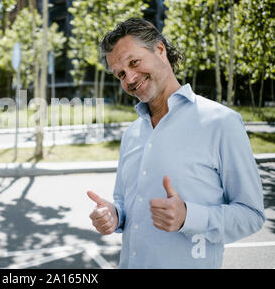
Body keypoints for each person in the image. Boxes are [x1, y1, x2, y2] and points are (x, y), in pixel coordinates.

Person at [87, 18, 265, 269]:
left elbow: (251, 215)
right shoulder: (132, 134)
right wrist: (114, 215)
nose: (129, 79)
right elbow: (126, 207)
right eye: (121, 74)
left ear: (160, 50)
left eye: (134, 62)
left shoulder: (221, 122)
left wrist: (188, 217)